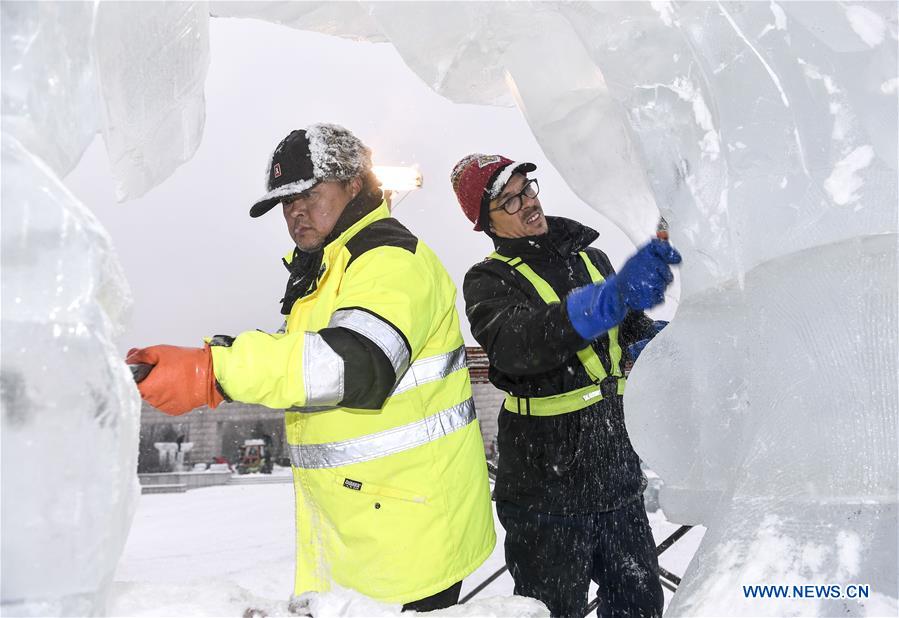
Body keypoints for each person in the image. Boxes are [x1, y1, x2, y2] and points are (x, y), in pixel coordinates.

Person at [127, 124, 495, 612]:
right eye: (285, 201)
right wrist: (216, 353)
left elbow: (353, 362)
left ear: (355, 184)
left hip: (409, 544)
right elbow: (305, 350)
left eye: (308, 193)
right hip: (367, 532)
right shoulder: (330, 271)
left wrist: (214, 371)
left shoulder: (390, 260)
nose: (295, 210)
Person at [450, 154, 681, 618]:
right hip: (546, 491)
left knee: (639, 605)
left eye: (527, 189)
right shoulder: (488, 280)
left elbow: (629, 329)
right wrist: (609, 299)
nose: (528, 204)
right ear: (486, 223)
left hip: (615, 476)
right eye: (509, 201)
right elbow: (522, 343)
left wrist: (678, 338)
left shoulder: (590, 259)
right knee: (554, 611)